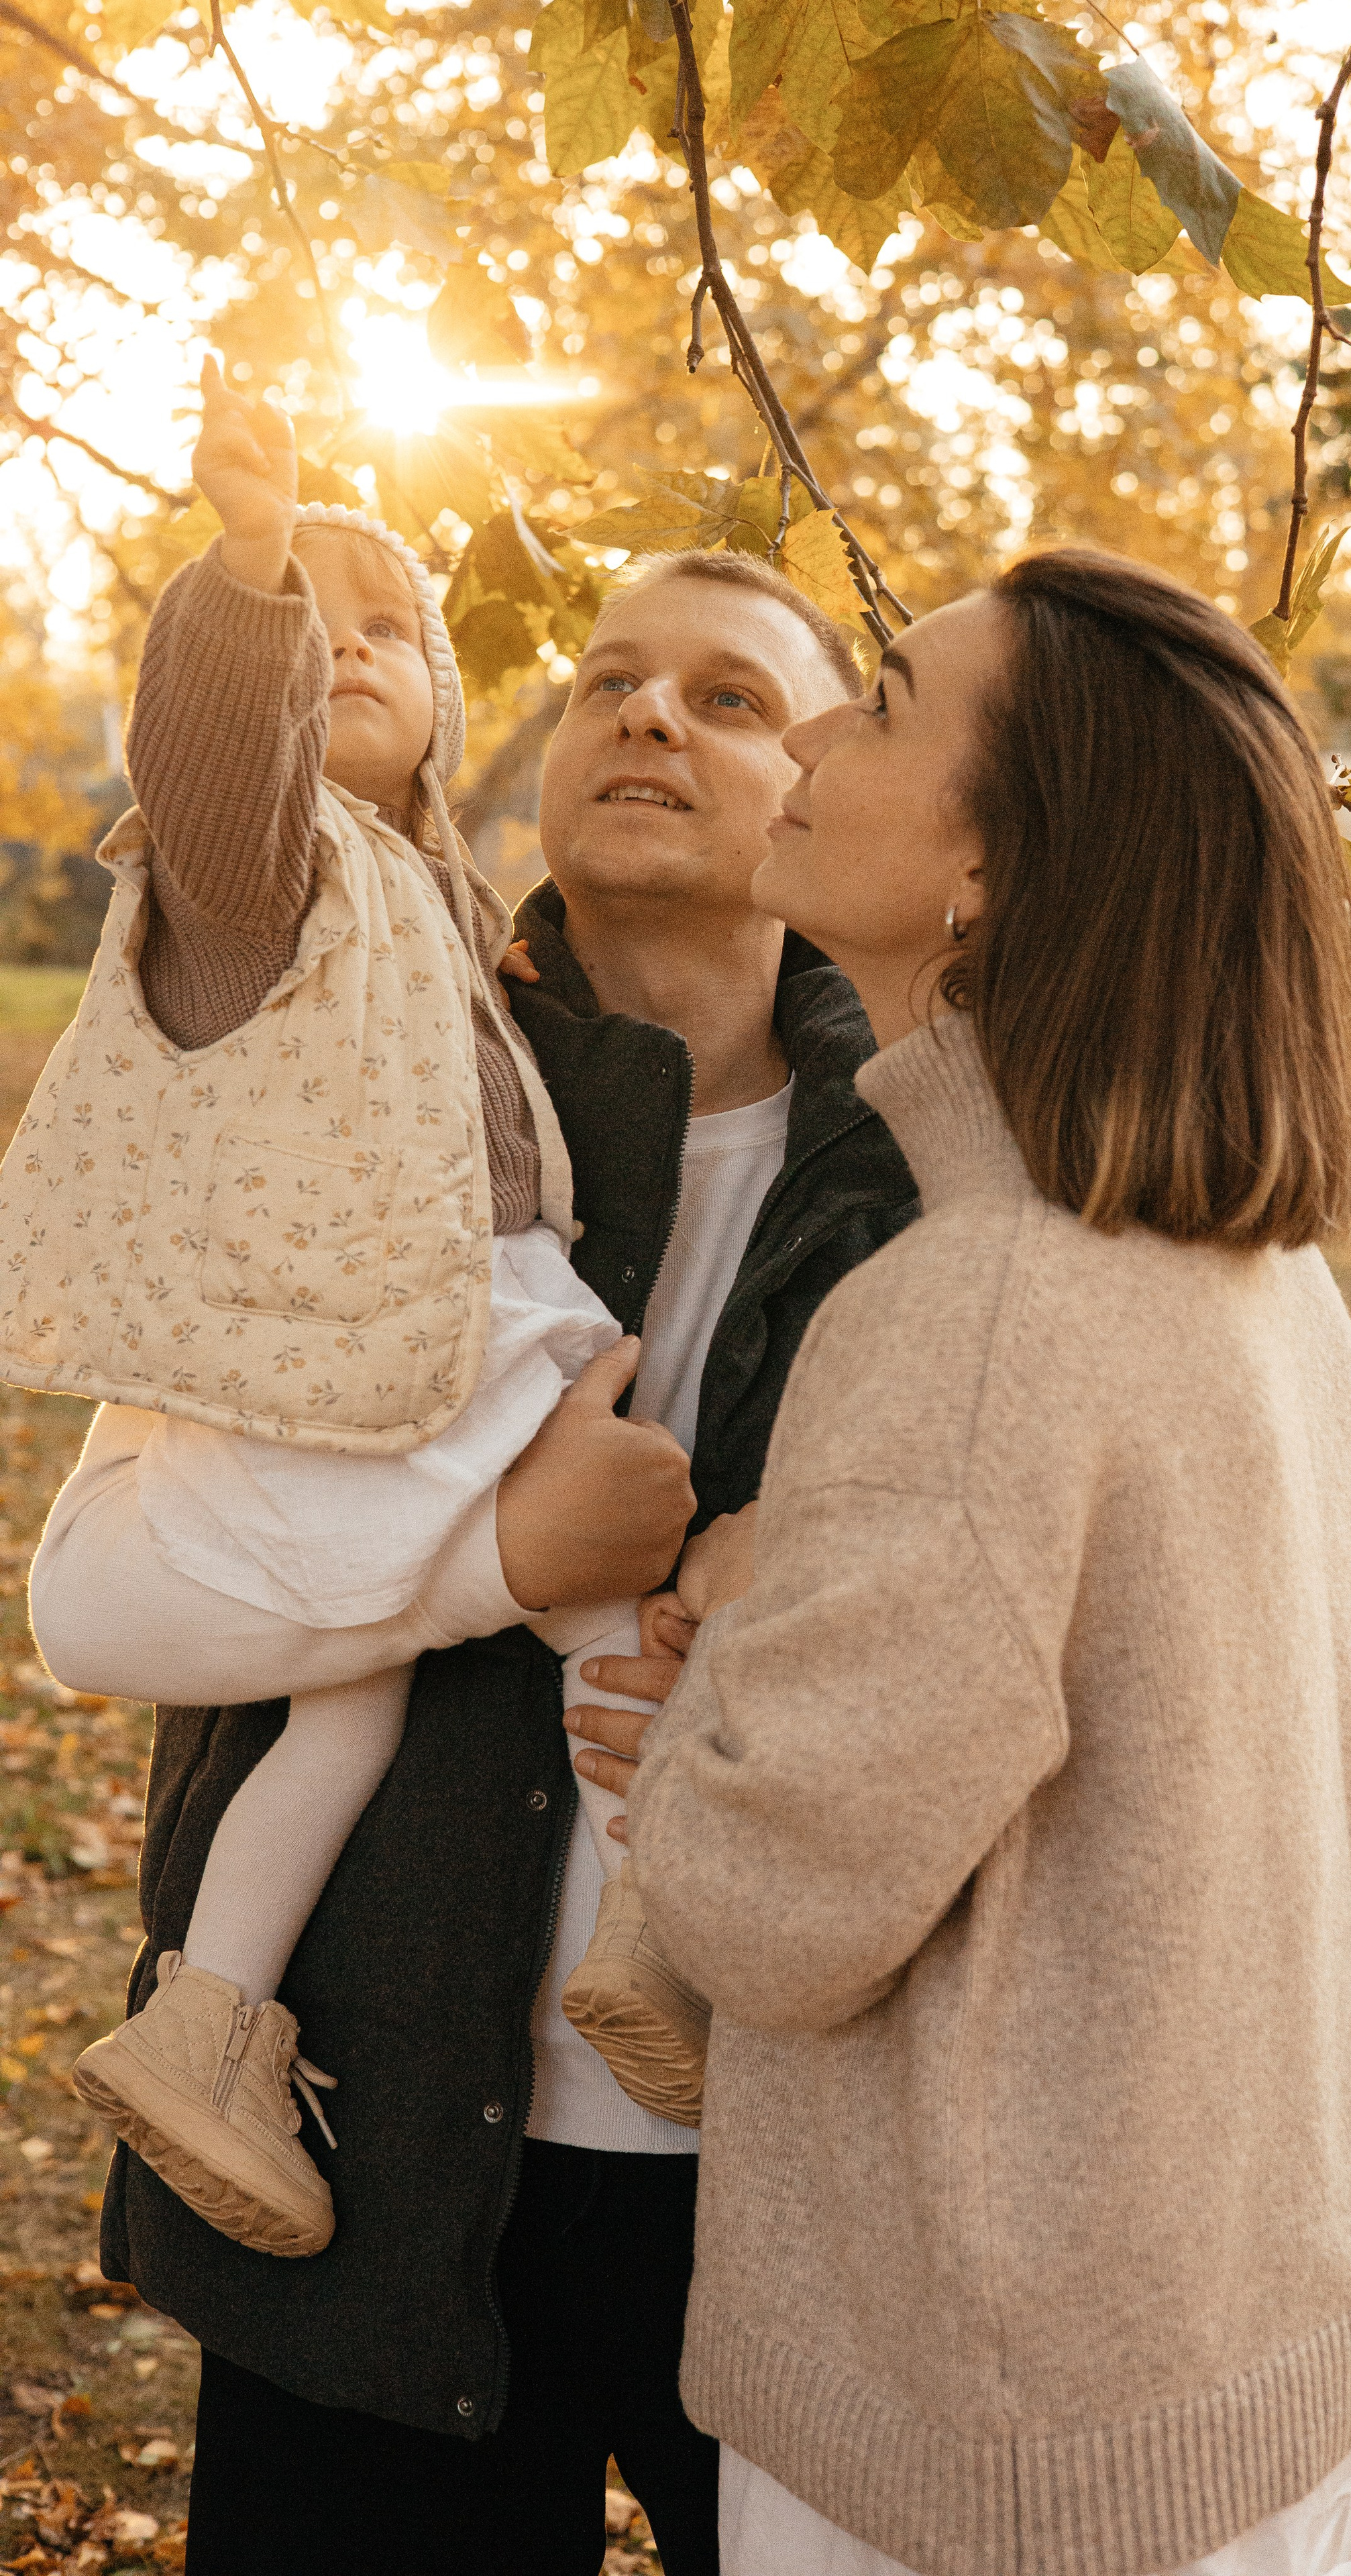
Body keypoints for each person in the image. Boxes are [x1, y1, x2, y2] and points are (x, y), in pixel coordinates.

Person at [28, 522, 917, 2572]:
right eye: (611, 676)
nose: (648, 715)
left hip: (788, 2188)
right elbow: (96, 1602)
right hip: (374, 2160)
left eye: (729, 696)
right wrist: (501, 1556)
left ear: (828, 790)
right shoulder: (347, 1084)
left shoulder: (936, 1168)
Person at [624, 548, 1351, 2576]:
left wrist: (708, 1676)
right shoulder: (1256, 1276)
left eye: (884, 701)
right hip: (1276, 2353)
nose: (816, 729)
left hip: (1001, 2450)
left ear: (991, 873)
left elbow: (767, 1910)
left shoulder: (973, 1308)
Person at [15, 359, 720, 2259]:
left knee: (353, 1702)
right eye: (313, 639)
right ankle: (673, 1930)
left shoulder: (429, 886)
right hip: (379, 1339)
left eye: (387, 628)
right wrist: (251, 578)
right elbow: (216, 771)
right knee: (620, 1555)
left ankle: (209, 2022)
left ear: (448, 720)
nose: (349, 652)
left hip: (405, 1339)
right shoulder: (266, 876)